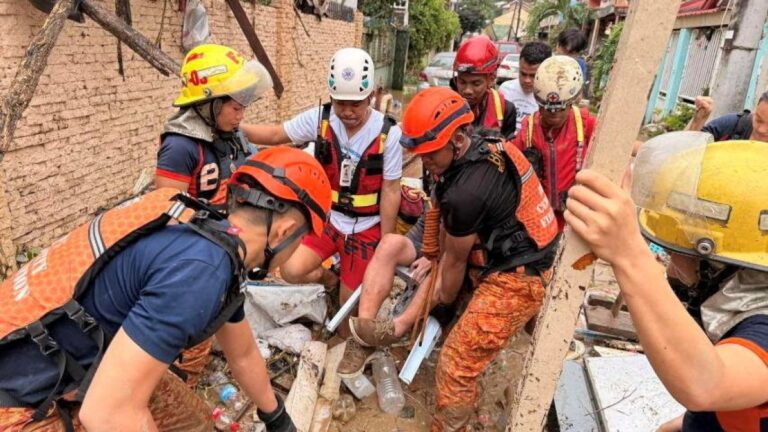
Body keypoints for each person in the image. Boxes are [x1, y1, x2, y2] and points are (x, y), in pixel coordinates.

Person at [0, 147, 331, 432]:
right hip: (14, 407)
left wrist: (276, 417)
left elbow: (243, 353)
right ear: (282, 232)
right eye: (301, 239)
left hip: (43, 353)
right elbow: (108, 414)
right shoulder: (200, 272)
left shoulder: (190, 220)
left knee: (194, 422)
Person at [341, 87, 560, 431]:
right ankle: (377, 332)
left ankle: (448, 423)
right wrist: (432, 260)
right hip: (504, 246)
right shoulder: (475, 148)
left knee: (455, 362)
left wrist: (430, 301)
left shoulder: (468, 192)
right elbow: (439, 225)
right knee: (428, 274)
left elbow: (449, 276)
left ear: (457, 139)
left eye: (429, 155)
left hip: (521, 274)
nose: (424, 162)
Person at [565, 133, 768, 432]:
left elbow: (706, 385)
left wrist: (630, 255)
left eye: (676, 253)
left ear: (715, 261)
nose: (670, 268)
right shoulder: (737, 298)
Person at [240, 47, 402, 334]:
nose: (348, 112)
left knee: (345, 319)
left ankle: (344, 298)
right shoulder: (322, 119)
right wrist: (236, 127)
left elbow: (390, 190)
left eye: (356, 104)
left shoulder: (389, 134)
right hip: (328, 220)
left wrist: (385, 245)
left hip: (366, 227)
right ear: (330, 97)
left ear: (371, 96)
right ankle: (330, 280)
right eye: (341, 103)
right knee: (290, 270)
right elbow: (278, 135)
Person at [154, 43, 273, 386]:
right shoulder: (181, 146)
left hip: (221, 241)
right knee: (192, 327)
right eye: (235, 107)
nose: (241, 115)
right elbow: (167, 212)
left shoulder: (228, 135)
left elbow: (261, 153)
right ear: (209, 102)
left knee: (218, 314)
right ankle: (179, 383)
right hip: (192, 250)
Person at [511, 55, 597, 231]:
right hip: (539, 217)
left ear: (573, 101)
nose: (554, 115)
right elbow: (510, 154)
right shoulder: (529, 128)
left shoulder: (585, 123)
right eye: (547, 109)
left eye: (560, 109)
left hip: (574, 218)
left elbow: (617, 144)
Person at [451, 35, 518, 139]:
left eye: (476, 84)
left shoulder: (506, 110)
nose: (468, 90)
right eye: (462, 82)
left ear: (491, 79)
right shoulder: (445, 107)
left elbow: (508, 151)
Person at [499, 41, 553, 132]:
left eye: (533, 75)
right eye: (523, 74)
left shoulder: (552, 97)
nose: (527, 80)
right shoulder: (505, 90)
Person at [686, 91, 768, 142]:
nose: (761, 130)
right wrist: (697, 121)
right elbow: (684, 151)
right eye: (758, 120)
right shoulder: (733, 125)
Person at [556, 28, 590, 94]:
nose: (566, 56)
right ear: (557, 46)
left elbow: (579, 89)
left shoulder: (580, 65)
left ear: (578, 53)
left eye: (571, 53)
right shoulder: (548, 62)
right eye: (564, 51)